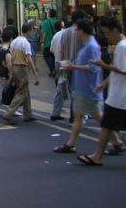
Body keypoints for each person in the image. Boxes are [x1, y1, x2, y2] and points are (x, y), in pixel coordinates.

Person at [78, 17, 126, 166]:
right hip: (116, 95)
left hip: (120, 96)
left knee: (106, 125)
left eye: (107, 33)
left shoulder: (123, 47)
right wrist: (104, 84)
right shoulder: (120, 46)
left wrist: (103, 65)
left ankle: (98, 156)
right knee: (106, 124)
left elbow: (123, 70)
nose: (107, 37)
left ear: (116, 30)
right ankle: (99, 154)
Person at [53, 19, 105, 154]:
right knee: (79, 116)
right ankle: (71, 143)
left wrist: (73, 66)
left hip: (89, 88)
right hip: (82, 87)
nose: (75, 32)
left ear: (82, 30)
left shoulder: (91, 46)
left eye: (77, 29)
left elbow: (93, 67)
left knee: (95, 116)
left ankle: (116, 140)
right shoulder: (86, 44)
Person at [52, 10, 86, 123]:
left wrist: (60, 65)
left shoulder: (65, 32)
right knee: (77, 92)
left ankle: (58, 113)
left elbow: (61, 50)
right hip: (78, 66)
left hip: (66, 65)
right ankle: (74, 116)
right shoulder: (81, 32)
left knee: (66, 89)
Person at [3, 23, 40, 125]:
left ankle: (28, 114)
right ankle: (9, 113)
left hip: (14, 66)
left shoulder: (14, 41)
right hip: (22, 68)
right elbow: (29, 60)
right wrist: (35, 74)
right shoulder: (26, 43)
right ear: (29, 31)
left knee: (25, 89)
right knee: (22, 92)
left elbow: (10, 55)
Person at [50, 19, 67, 121]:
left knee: (61, 85)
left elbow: (51, 49)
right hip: (65, 63)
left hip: (57, 62)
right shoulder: (65, 34)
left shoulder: (55, 36)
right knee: (68, 86)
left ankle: (56, 112)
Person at [41, 9, 58, 77]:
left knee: (46, 56)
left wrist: (42, 40)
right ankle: (54, 70)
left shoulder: (46, 22)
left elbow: (44, 33)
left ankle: (52, 69)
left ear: (49, 14)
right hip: (56, 44)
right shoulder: (57, 22)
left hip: (48, 44)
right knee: (54, 57)